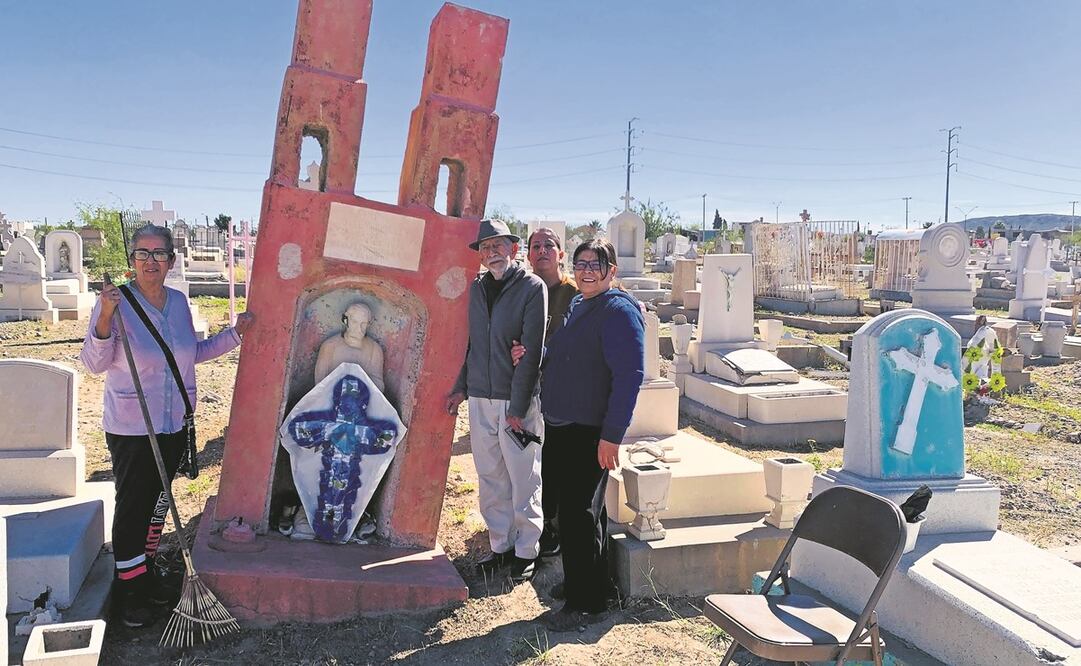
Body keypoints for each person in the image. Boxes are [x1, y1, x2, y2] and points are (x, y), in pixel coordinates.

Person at [80, 225, 253, 628]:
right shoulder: (116, 303)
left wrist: (235, 335)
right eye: (142, 254)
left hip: (174, 423)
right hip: (133, 426)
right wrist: (105, 316)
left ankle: (149, 571)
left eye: (159, 254)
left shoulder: (177, 302)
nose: (150, 261)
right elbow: (93, 363)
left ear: (171, 261)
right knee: (134, 508)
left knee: (158, 506)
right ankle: (130, 592)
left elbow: (191, 355)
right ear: (131, 262)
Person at [537, 238, 645, 632]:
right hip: (564, 425)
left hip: (589, 430)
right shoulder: (582, 305)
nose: (585, 271)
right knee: (585, 512)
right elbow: (567, 352)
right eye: (580, 263)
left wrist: (612, 436)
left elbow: (630, 376)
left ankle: (584, 605)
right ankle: (590, 584)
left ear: (611, 271)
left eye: (595, 265)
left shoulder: (617, 311)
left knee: (577, 515)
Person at [445, 219, 548, 584]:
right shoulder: (477, 289)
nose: (492, 253)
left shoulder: (531, 288)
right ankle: (500, 545)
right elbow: (470, 343)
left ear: (513, 249)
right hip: (481, 398)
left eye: (499, 245)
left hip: (514, 400)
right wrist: (462, 386)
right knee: (490, 476)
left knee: (523, 477)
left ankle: (526, 551)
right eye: (486, 248)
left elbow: (531, 350)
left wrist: (519, 408)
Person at [524, 228, 578, 558]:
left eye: (549, 245)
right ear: (528, 255)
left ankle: (551, 527)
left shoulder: (574, 292)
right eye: (535, 246)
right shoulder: (523, 290)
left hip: (561, 390)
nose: (542, 250)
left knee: (554, 461)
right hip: (522, 387)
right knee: (526, 458)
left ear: (560, 254)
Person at [314, 302, 385, 391]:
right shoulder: (330, 346)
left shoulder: (375, 350)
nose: (359, 329)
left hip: (363, 401)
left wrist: (359, 388)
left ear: (369, 324)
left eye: (363, 323)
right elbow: (319, 384)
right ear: (346, 320)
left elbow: (379, 386)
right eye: (354, 322)